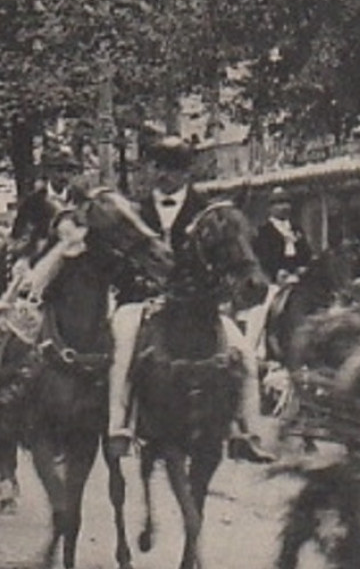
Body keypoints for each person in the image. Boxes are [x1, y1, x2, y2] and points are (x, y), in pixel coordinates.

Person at [106, 136, 272, 463]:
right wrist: (136, 282)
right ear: (151, 169)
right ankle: (118, 426)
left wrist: (214, 289)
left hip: (195, 304)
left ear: (187, 172)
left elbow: (227, 258)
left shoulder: (209, 211)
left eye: (175, 168)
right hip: (142, 301)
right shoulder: (134, 210)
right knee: (123, 348)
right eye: (160, 166)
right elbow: (117, 260)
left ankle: (246, 432)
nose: (166, 175)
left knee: (245, 356)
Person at [253, 187, 313, 283]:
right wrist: (276, 271)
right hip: (276, 278)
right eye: (279, 204)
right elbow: (263, 257)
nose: (284, 207)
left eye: (287, 203)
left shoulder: (296, 228)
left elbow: (306, 251)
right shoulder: (264, 232)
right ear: (270, 208)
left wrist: (303, 266)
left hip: (300, 275)